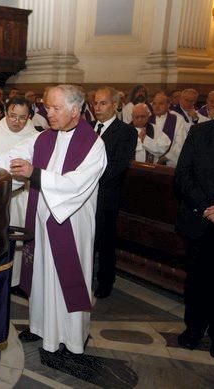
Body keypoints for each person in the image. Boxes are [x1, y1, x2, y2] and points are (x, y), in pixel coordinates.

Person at [0, 85, 107, 354]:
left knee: (65, 279)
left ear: (75, 110)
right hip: (42, 219)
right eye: (47, 107)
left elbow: (76, 184)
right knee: (41, 275)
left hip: (70, 223)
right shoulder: (44, 138)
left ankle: (71, 336)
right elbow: (14, 155)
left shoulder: (93, 144)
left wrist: (35, 174)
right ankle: (41, 328)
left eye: (56, 108)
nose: (49, 113)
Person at [174, 92, 214, 361]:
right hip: (200, 220)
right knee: (196, 282)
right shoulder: (200, 132)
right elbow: (183, 175)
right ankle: (193, 330)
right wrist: (208, 209)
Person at [0, 97, 37, 289]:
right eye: (12, 116)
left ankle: (14, 281)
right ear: (6, 113)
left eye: (22, 117)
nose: (16, 121)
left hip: (19, 198)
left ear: (29, 117)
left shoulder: (35, 136)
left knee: (15, 243)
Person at [91, 87, 137, 299]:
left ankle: (105, 281)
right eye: (95, 103)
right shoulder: (87, 127)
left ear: (116, 104)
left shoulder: (126, 132)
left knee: (105, 241)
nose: (97, 107)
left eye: (103, 103)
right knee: (85, 240)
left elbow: (118, 166)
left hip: (106, 196)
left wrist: (85, 181)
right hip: (83, 196)